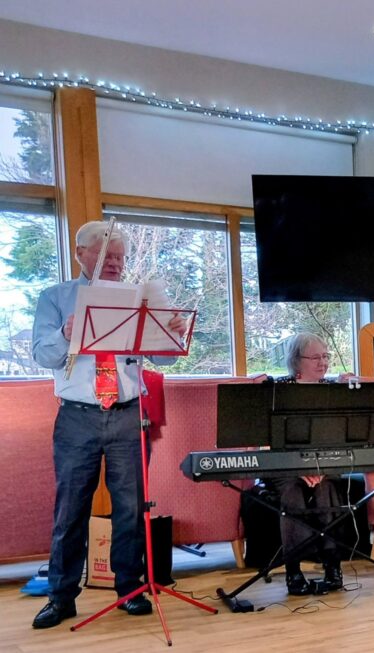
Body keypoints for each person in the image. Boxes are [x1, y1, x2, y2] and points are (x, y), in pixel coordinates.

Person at [30, 222, 188, 629]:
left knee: (131, 509)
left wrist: (172, 335)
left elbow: (166, 360)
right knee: (70, 511)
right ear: (81, 253)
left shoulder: (138, 299)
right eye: (106, 256)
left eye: (120, 256)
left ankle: (129, 589)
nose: (116, 264)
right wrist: (67, 333)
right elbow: (40, 355)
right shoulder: (55, 298)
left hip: (127, 413)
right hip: (76, 416)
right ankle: (61, 597)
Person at [268, 333, 346, 596]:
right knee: (293, 492)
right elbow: (271, 441)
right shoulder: (278, 391)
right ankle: (294, 570)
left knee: (327, 490)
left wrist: (320, 468)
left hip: (325, 464)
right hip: (286, 466)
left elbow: (342, 437)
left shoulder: (336, 391)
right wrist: (301, 468)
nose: (323, 362)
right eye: (316, 357)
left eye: (325, 356)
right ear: (296, 361)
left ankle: (333, 566)